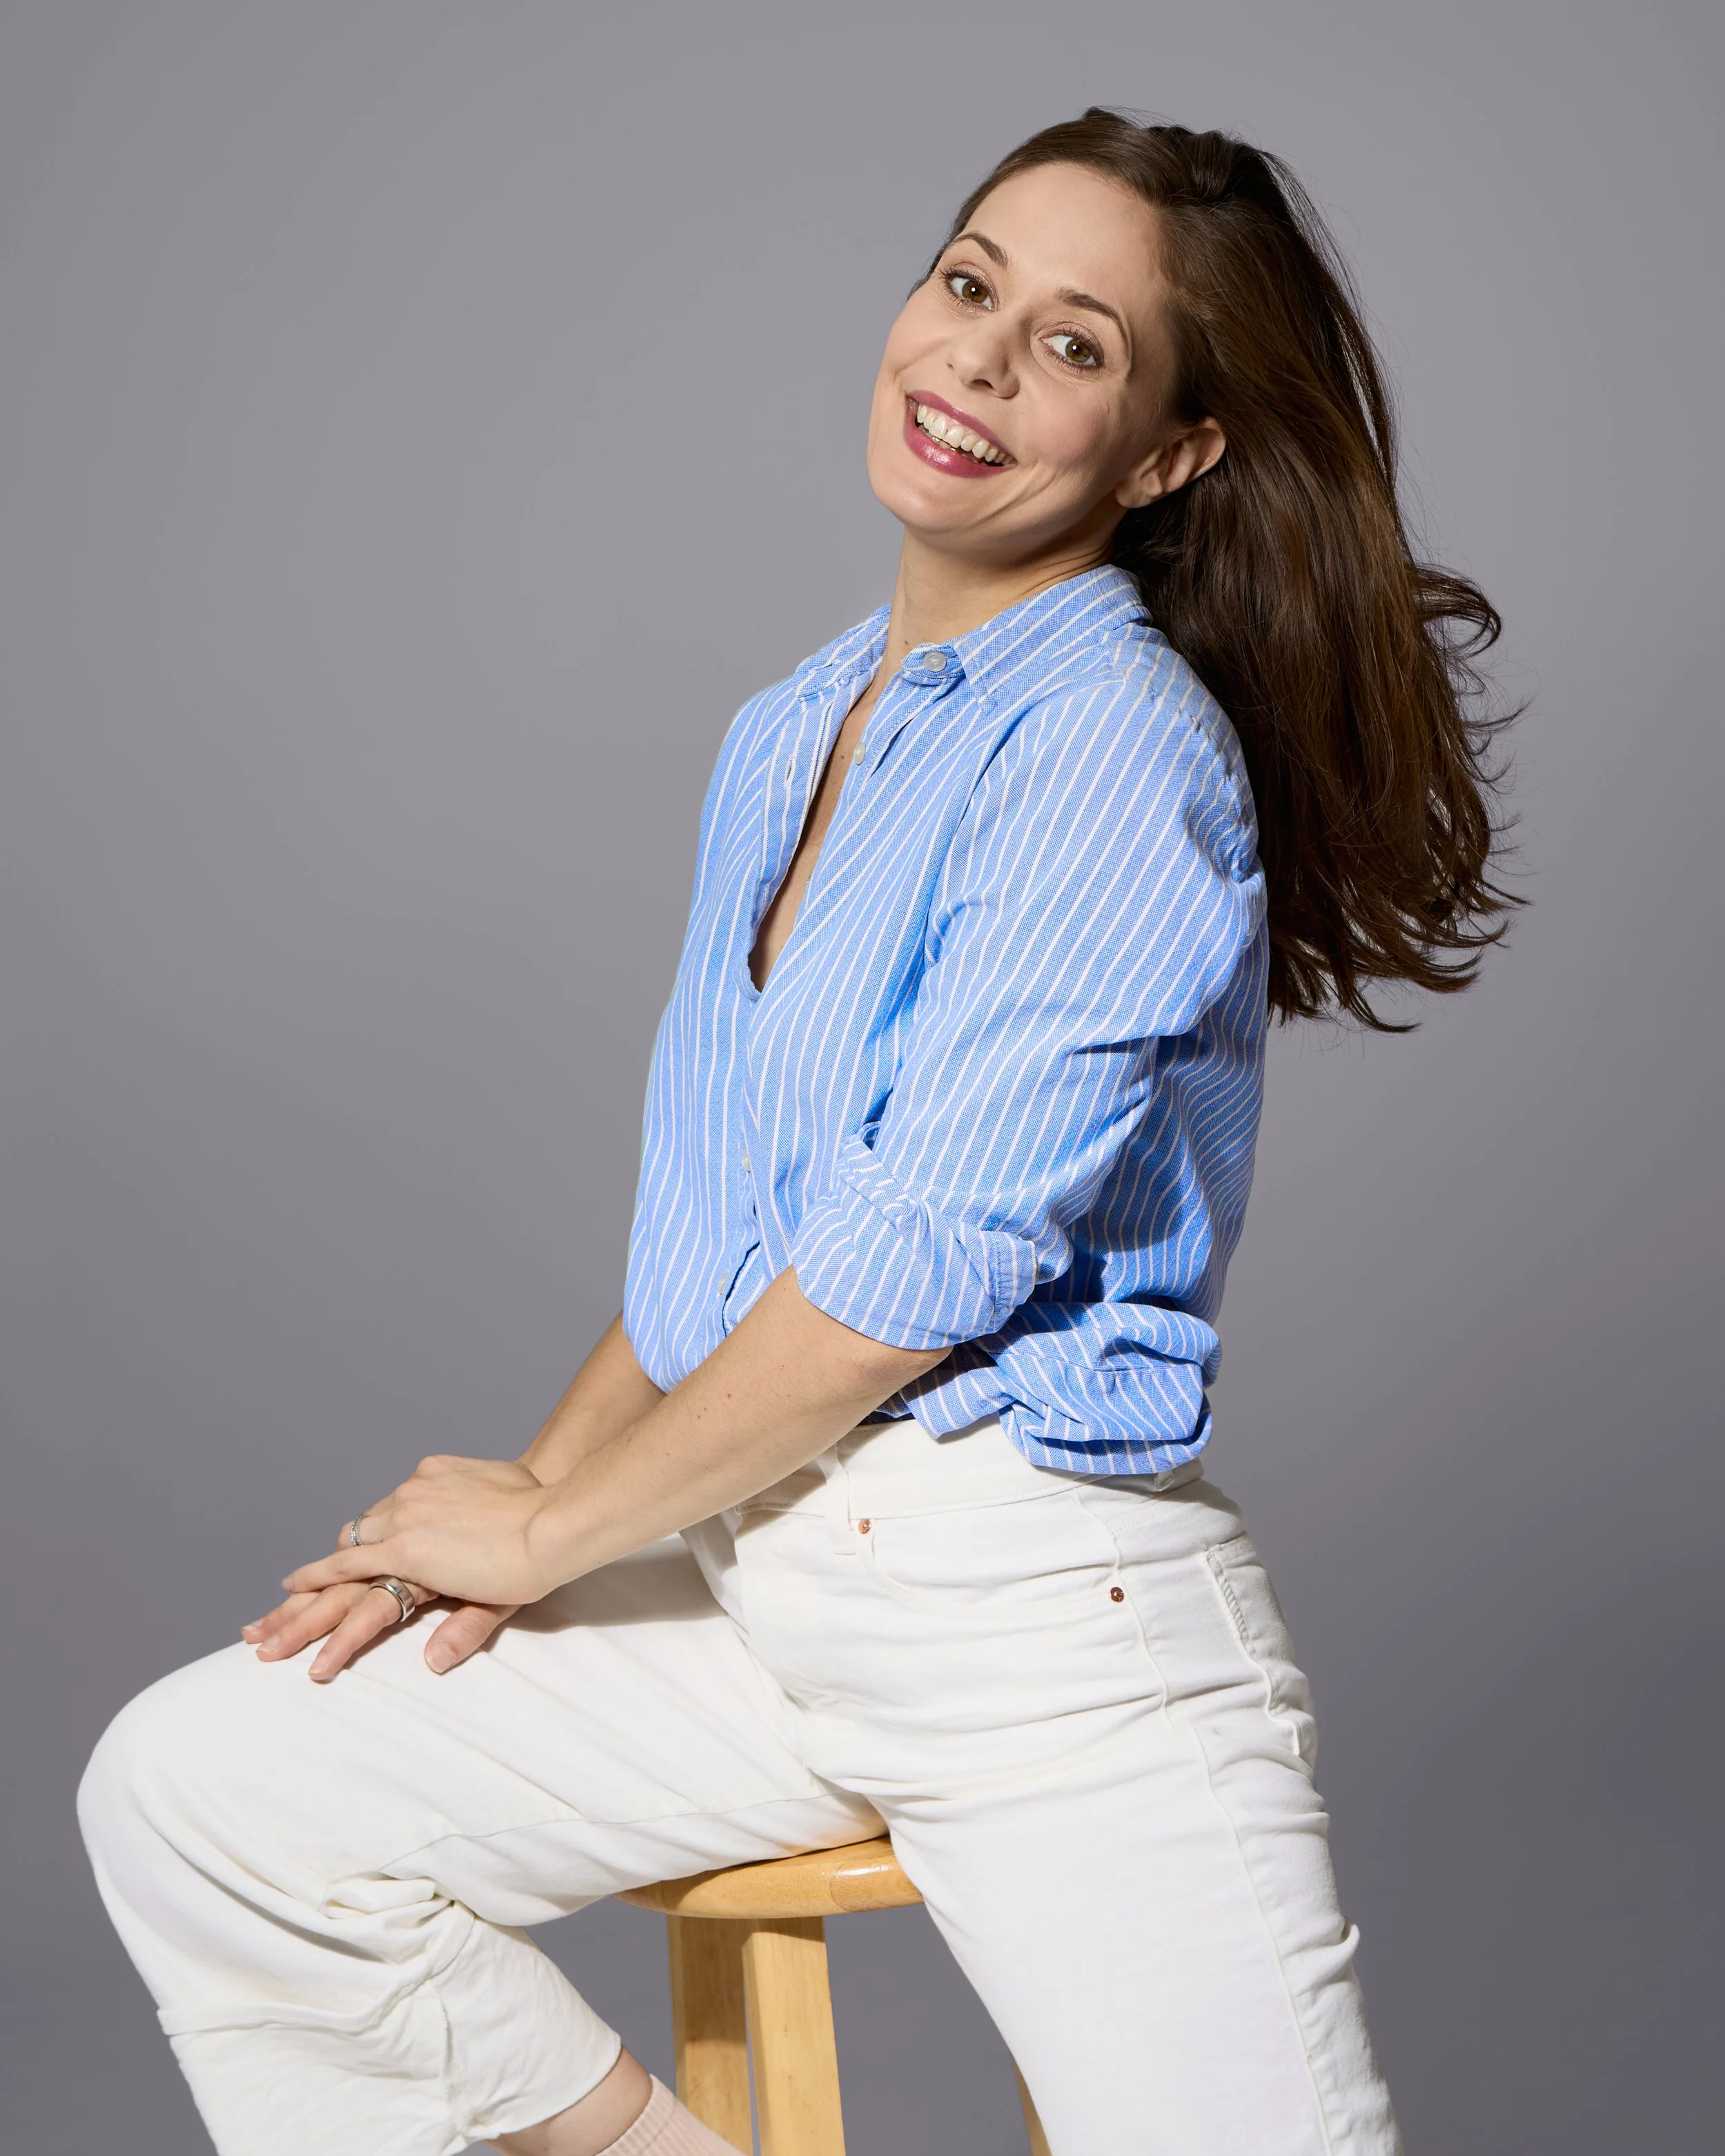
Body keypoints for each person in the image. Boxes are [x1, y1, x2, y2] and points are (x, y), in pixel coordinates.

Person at [78, 110, 1513, 2156]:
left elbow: (905, 1273)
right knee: (202, 1787)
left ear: (1171, 452)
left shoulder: (1114, 751)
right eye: (967, 284)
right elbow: (715, 1252)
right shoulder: (795, 725)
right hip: (772, 1592)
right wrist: (488, 1521)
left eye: (1078, 347)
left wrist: (560, 1531)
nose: (981, 363)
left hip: (1045, 1639)